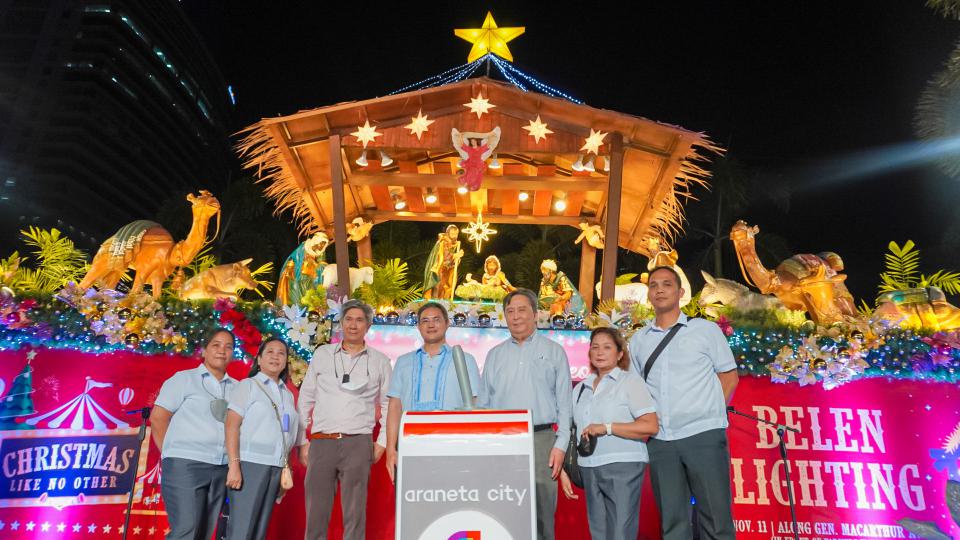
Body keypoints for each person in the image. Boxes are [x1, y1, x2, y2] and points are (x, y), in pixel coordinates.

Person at [627, 266, 739, 539]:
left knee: (717, 520)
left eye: (667, 284)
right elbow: (635, 390)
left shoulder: (705, 330)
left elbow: (729, 376)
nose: (660, 289)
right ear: (649, 295)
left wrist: (710, 414)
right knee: (673, 523)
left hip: (703, 436)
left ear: (680, 292)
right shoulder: (639, 340)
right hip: (661, 440)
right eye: (654, 285)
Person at [481, 288, 572, 540]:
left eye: (522, 310)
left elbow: (565, 405)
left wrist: (561, 446)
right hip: (502, 441)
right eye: (510, 311)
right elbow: (485, 405)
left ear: (535, 315)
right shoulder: (494, 355)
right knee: (503, 510)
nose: (516, 316)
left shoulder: (554, 352)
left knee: (542, 514)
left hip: (541, 440)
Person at [298, 299, 392, 540]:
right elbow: (306, 397)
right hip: (321, 441)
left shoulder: (380, 360)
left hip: (358, 442)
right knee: (316, 513)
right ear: (340, 323)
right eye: (348, 319)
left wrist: (381, 442)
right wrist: (302, 440)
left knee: (355, 513)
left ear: (368, 325)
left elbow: (388, 403)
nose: (353, 325)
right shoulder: (323, 354)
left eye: (360, 320)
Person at [559, 327, 659, 540]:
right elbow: (570, 431)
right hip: (588, 468)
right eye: (595, 347)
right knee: (599, 533)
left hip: (623, 466)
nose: (600, 352)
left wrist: (608, 427)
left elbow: (651, 425)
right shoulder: (580, 389)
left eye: (607, 347)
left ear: (620, 353)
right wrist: (564, 470)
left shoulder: (630, 381)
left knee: (621, 532)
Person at [150, 328, 238, 540]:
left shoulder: (238, 388)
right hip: (185, 465)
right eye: (216, 345)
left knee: (204, 532)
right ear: (205, 350)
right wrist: (171, 454)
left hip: (221, 467)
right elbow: (158, 418)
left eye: (228, 347)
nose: (221, 351)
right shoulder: (184, 379)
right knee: (186, 530)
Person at [384, 301, 482, 483]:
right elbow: (394, 407)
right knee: (412, 501)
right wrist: (391, 448)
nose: (431, 325)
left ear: (447, 323)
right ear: (418, 326)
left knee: (450, 498)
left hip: (452, 445)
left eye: (436, 320)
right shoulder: (404, 362)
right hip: (410, 444)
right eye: (425, 321)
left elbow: (474, 405)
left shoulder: (465, 360)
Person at [224, 337, 303, 540]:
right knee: (242, 531)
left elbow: (287, 431)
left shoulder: (288, 395)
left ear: (286, 361)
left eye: (281, 353)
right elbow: (231, 424)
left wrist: (286, 467)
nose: (275, 356)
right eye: (270, 352)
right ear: (259, 359)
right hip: (251, 465)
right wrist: (234, 465)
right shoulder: (248, 386)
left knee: (259, 531)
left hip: (276, 468)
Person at [423, 224, 463, 300]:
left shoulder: (452, 244)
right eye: (452, 234)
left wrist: (457, 258)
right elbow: (445, 256)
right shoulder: (443, 242)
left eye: (456, 234)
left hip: (446, 270)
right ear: (448, 233)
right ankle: (435, 304)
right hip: (440, 269)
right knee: (438, 287)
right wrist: (455, 255)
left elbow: (451, 261)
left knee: (444, 288)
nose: (454, 236)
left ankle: (442, 303)